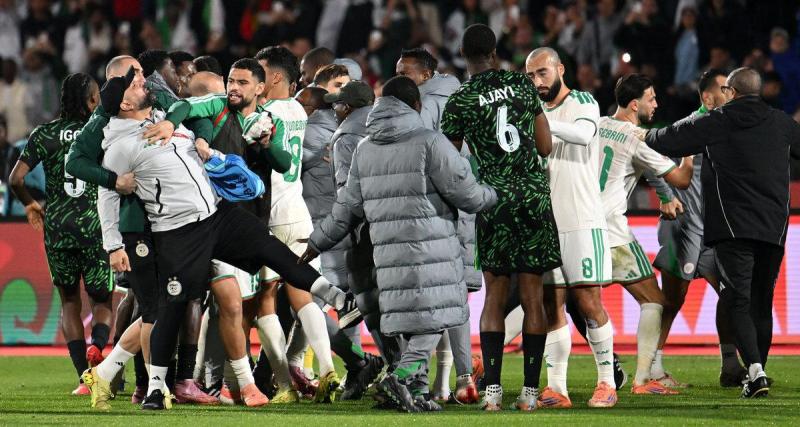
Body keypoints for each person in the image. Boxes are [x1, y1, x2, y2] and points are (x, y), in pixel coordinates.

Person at [95, 66, 343, 410]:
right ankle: (155, 388)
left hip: (217, 213)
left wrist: (214, 157)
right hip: (179, 231)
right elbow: (106, 196)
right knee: (173, 305)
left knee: (267, 245)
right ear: (123, 104)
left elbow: (189, 134)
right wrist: (113, 244)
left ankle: (333, 295)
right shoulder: (120, 147)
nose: (141, 87)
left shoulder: (163, 120)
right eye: (132, 87)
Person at [301, 75, 498, 412]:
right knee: (434, 319)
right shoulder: (431, 142)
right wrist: (496, 193)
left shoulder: (364, 148)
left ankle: (417, 393)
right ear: (416, 106)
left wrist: (315, 244)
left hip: (386, 255)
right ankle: (401, 375)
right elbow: (469, 196)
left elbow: (346, 209)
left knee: (410, 321)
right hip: (431, 251)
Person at [640, 67, 800, 399]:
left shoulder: (718, 121)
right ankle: (758, 370)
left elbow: (669, 138)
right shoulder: (782, 123)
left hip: (732, 227)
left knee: (737, 300)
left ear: (730, 92)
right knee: (761, 302)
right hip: (774, 227)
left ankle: (754, 371)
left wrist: (638, 133)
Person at [440, 24, 560, 411]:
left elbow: (449, 161)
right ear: (494, 50)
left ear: (464, 54)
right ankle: (527, 394)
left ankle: (491, 392)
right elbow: (545, 145)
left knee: (494, 296)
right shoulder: (524, 85)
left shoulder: (459, 100)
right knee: (532, 298)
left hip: (493, 200)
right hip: (532, 199)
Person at [8, 73, 113, 396]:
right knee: (102, 299)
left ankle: (85, 377)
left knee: (69, 301)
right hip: (94, 224)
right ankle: (97, 347)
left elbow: (16, 178)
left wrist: (30, 205)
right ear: (93, 100)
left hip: (57, 226)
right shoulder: (102, 132)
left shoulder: (44, 134)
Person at [526, 46, 617, 408]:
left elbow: (582, 135)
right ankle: (558, 388)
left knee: (588, 300)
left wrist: (538, 122)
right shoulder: (535, 112)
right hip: (546, 222)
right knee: (553, 304)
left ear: (560, 68)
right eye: (530, 76)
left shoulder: (582, 101)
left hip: (582, 219)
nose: (537, 82)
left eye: (543, 73)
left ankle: (607, 382)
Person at [646, 69, 748, 389]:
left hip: (717, 231)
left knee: (731, 295)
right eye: (723, 89)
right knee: (672, 300)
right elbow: (651, 157)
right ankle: (652, 366)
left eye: (731, 88)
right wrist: (664, 198)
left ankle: (730, 366)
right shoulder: (690, 128)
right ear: (708, 98)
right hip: (686, 227)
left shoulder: (729, 127)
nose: (730, 93)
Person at [252, 45, 341, 404]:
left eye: (260, 72)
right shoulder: (299, 111)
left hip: (269, 215)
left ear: (274, 77)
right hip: (298, 211)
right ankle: (327, 369)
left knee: (265, 300)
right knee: (303, 295)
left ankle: (284, 385)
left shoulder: (264, 113)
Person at [597, 73, 694, 395]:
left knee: (543, 301)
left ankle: (480, 362)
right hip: (612, 232)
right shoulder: (634, 137)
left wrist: (663, 195)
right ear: (635, 104)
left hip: (577, 227)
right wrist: (690, 153)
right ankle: (641, 380)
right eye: (652, 99)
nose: (657, 104)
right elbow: (680, 178)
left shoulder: (593, 125)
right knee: (654, 299)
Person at [395, 46, 477, 403]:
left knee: (432, 296)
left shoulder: (425, 104)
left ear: (426, 75)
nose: (400, 77)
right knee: (453, 294)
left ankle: (423, 380)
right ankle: (461, 380)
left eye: (406, 71)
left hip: (435, 208)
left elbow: (417, 148)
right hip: (463, 203)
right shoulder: (459, 95)